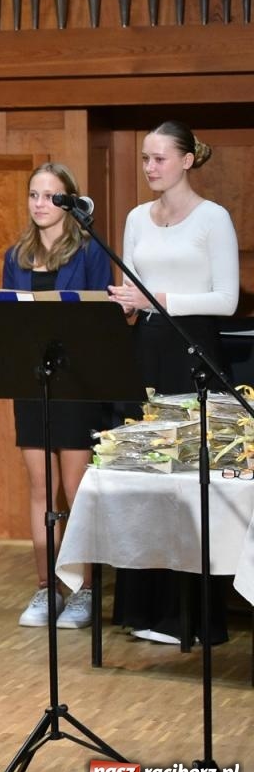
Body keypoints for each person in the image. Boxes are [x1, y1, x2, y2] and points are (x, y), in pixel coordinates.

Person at [106, 121, 239, 647]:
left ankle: (194, 619)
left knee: (189, 485)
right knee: (146, 481)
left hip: (196, 352)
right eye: (144, 158)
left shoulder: (214, 219)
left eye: (160, 158)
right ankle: (146, 611)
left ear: (187, 160)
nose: (150, 168)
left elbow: (225, 299)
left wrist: (156, 300)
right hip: (148, 352)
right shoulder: (137, 218)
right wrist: (126, 306)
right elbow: (133, 291)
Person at [1, 164, 113, 630]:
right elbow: (6, 316)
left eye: (50, 196)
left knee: (77, 489)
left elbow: (99, 319)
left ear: (69, 202)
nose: (39, 203)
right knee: (41, 491)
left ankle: (85, 590)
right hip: (33, 382)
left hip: (78, 384)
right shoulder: (17, 255)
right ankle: (47, 588)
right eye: (33, 195)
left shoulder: (88, 251)